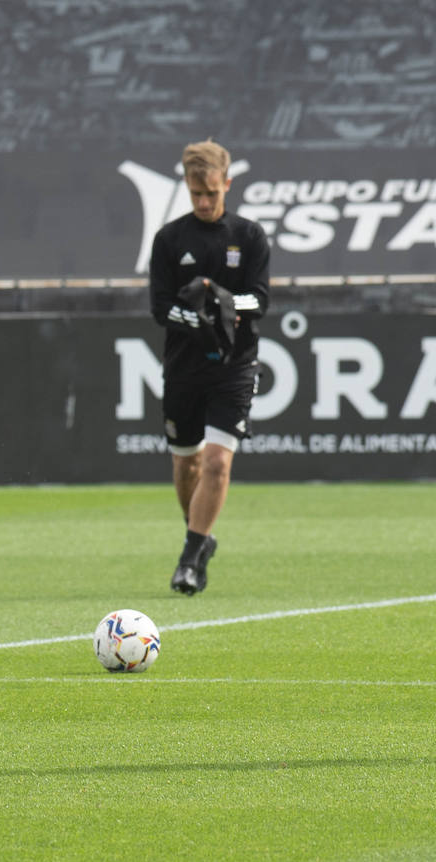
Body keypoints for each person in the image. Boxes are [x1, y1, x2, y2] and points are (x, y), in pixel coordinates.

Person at [148, 139, 270, 595]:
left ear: (228, 185)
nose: (203, 202)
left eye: (212, 194)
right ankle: (199, 536)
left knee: (218, 463)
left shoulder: (250, 237)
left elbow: (260, 300)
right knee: (187, 467)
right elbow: (160, 308)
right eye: (196, 193)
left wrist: (219, 304)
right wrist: (192, 315)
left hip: (234, 367)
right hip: (183, 367)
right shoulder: (169, 239)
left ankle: (189, 559)